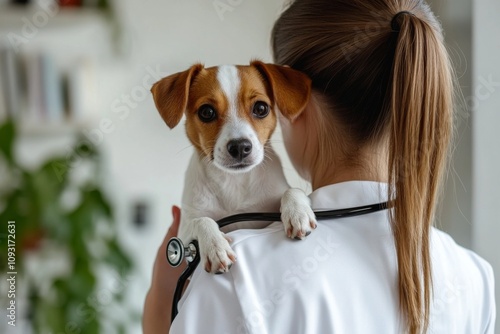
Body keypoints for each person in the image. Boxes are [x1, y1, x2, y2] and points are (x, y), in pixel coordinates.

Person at [143, 0, 496, 333]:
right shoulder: (477, 277)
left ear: (299, 103)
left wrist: (163, 298)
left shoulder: (237, 275)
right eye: (209, 113)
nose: (239, 135)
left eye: (262, 109)